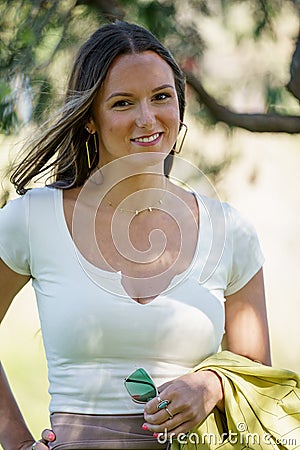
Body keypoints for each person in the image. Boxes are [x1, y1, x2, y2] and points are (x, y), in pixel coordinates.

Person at [0, 20, 271, 450]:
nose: (147, 119)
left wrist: (212, 385)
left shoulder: (229, 230)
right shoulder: (33, 220)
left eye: (161, 97)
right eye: (123, 103)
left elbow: (258, 374)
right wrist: (15, 442)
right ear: (90, 118)